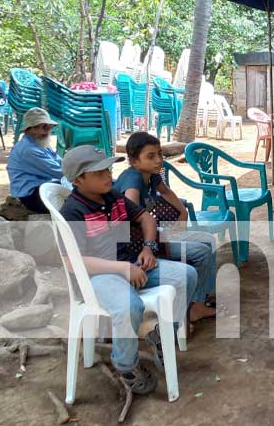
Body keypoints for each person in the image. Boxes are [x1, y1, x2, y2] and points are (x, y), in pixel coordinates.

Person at [59, 145, 198, 394]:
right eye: (99, 173)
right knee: (129, 306)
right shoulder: (73, 211)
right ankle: (125, 364)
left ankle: (159, 332)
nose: (108, 176)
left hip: (132, 264)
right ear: (78, 179)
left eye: (108, 170)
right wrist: (122, 268)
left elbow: (147, 218)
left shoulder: (113, 196)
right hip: (98, 277)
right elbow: (72, 261)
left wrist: (147, 248)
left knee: (187, 275)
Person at [115, 132, 217, 321]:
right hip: (137, 247)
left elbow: (167, 192)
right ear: (134, 162)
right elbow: (131, 218)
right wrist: (154, 243)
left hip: (152, 235)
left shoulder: (152, 176)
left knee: (208, 242)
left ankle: (202, 297)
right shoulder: (133, 180)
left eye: (160, 154)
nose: (158, 160)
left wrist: (183, 212)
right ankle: (195, 306)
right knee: (202, 251)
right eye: (151, 156)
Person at [6, 108, 64, 213]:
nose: (48, 131)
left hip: (41, 187)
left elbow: (61, 163)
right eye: (45, 127)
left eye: (49, 127)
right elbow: (60, 172)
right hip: (31, 195)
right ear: (31, 129)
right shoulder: (29, 149)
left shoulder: (39, 143)